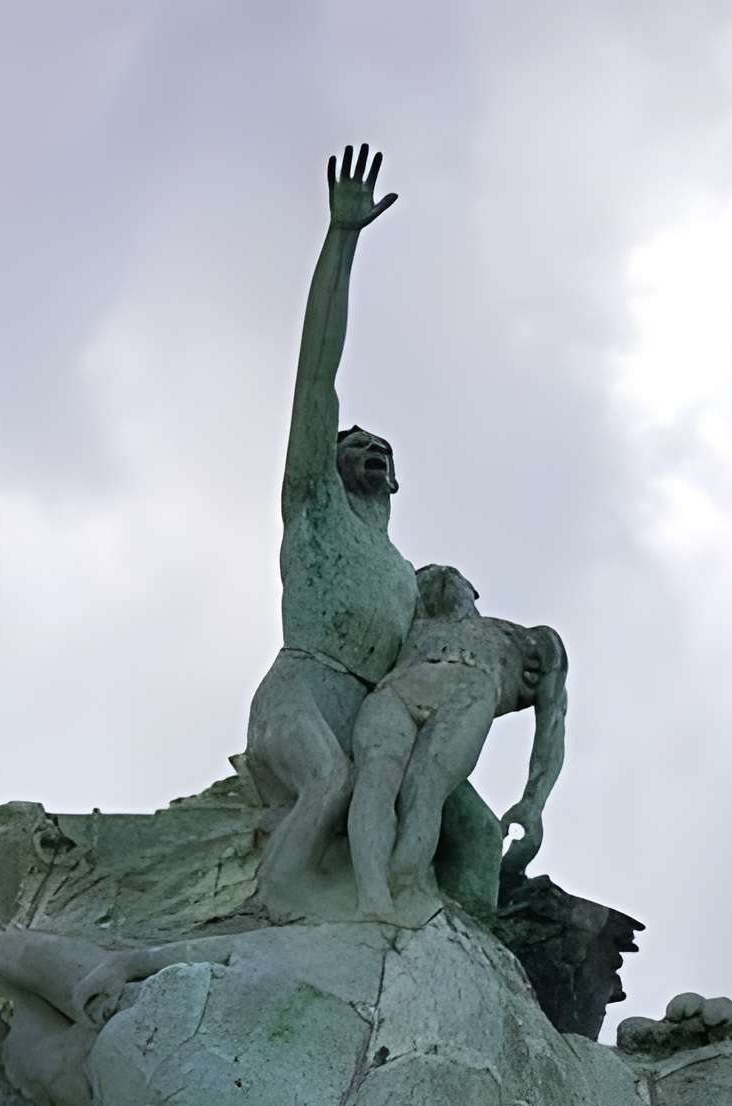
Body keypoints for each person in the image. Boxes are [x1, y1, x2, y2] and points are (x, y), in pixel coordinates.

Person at [245, 145, 419, 914]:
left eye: (383, 449)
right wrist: (342, 240)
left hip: (371, 718)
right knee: (330, 782)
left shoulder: (407, 577)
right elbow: (317, 370)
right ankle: (274, 909)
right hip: (302, 696)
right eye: (356, 443)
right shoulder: (313, 505)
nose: (371, 450)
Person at [347, 564, 567, 923]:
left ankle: (399, 885)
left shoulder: (528, 643)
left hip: (467, 691)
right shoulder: (405, 628)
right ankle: (372, 898)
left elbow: (553, 723)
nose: (437, 575)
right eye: (424, 578)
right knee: (375, 779)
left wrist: (533, 802)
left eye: (452, 575)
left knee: (424, 785)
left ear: (473, 591)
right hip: (396, 689)